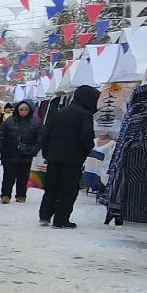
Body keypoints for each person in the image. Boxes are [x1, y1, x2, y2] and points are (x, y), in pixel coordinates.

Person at [39, 84, 99, 228]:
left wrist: (47, 153)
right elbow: (86, 136)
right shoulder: (84, 114)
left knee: (52, 187)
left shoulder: (60, 112)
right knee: (68, 190)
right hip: (72, 159)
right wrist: (88, 149)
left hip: (54, 157)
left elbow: (47, 134)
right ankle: (61, 219)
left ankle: (45, 215)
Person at [0, 100, 42, 204]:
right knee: (8, 176)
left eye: (26, 109)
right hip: (9, 153)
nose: (23, 111)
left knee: (23, 176)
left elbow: (41, 136)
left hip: (27, 154)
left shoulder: (36, 121)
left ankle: (21, 195)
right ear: (17, 109)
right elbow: (0, 134)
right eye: (21, 109)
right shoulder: (9, 120)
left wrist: (35, 148)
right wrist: (0, 148)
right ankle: (5, 195)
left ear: (30, 110)